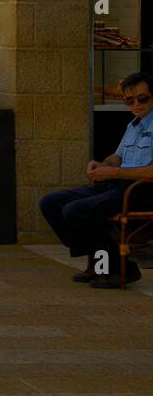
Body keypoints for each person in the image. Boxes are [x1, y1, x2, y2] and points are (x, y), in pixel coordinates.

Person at [40, 72, 153, 288]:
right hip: (117, 185)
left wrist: (115, 173)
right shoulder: (134, 125)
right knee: (51, 203)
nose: (136, 104)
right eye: (129, 99)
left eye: (142, 98)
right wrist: (102, 165)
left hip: (141, 190)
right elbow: (117, 157)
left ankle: (118, 267)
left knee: (76, 211)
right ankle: (105, 262)